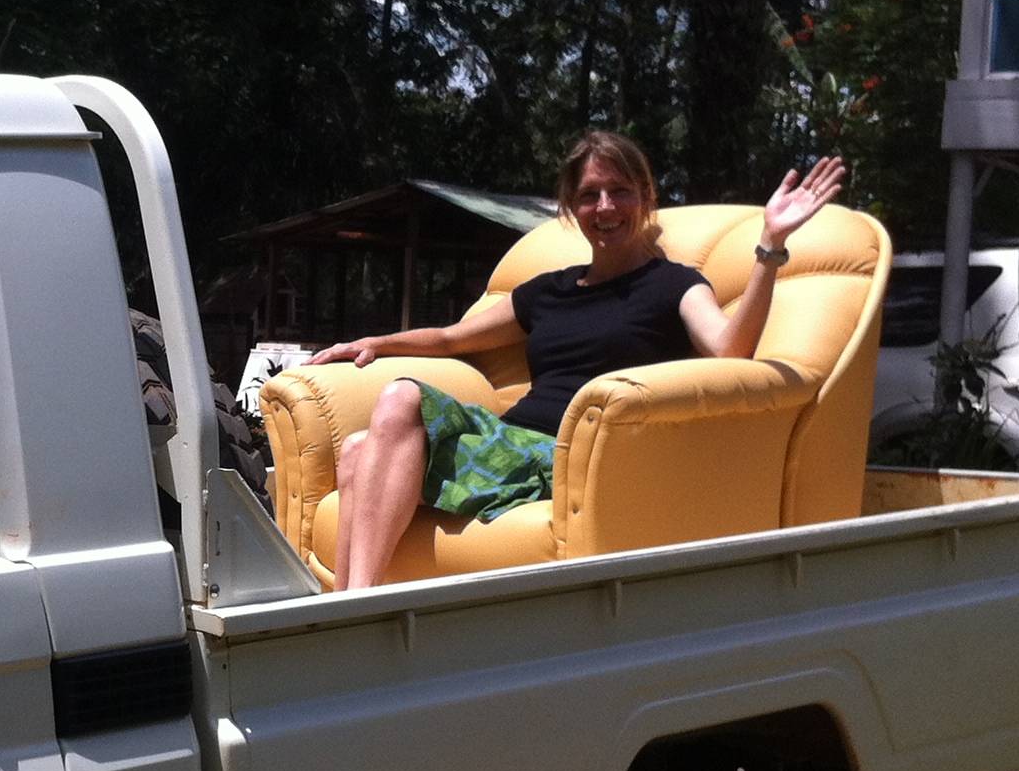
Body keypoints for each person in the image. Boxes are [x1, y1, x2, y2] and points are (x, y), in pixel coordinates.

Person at [307, 133, 847, 591]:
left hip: (567, 455)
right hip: (508, 443)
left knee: (401, 396)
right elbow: (452, 339)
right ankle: (347, 609)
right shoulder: (547, 291)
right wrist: (378, 341)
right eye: (589, 195)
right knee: (357, 449)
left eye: (620, 191)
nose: (605, 208)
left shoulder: (673, 284)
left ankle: (357, 604)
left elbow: (730, 349)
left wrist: (769, 246)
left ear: (646, 197)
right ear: (570, 207)